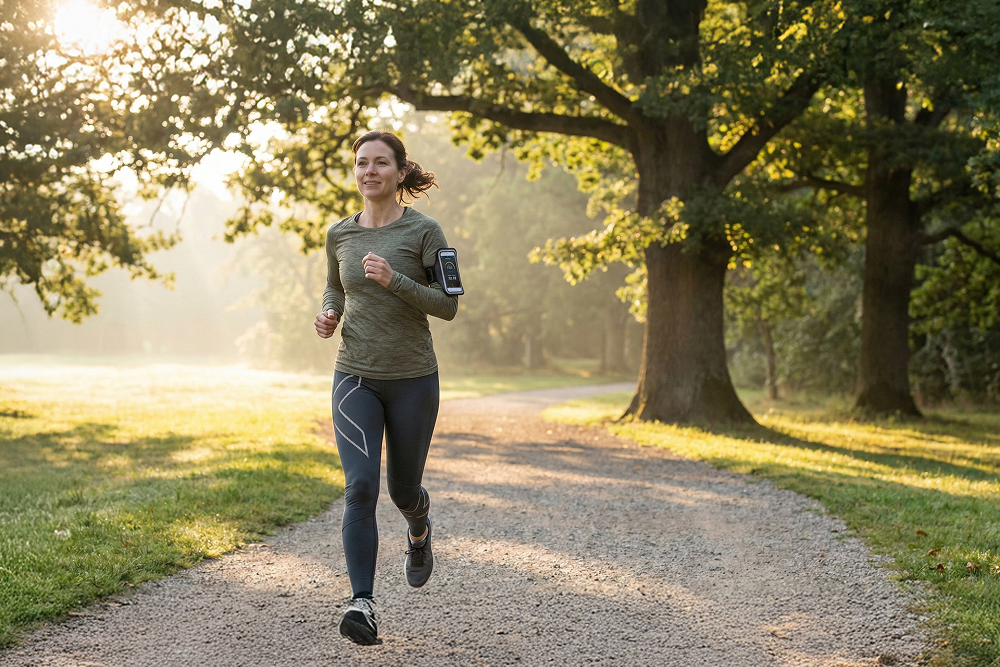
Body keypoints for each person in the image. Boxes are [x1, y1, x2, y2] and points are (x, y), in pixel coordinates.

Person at [313, 130, 459, 646]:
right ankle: (362, 603)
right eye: (362, 163)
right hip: (354, 375)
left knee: (401, 490)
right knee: (360, 487)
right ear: (355, 173)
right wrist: (330, 312)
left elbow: (449, 305)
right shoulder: (340, 234)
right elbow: (335, 283)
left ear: (400, 172)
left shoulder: (425, 231)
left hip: (413, 380)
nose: (369, 171)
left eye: (380, 163)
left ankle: (418, 530)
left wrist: (395, 280)